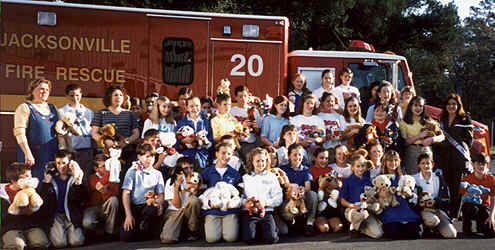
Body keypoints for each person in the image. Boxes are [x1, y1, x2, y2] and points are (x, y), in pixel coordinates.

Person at [437, 93, 474, 218]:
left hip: (459, 158)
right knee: (447, 185)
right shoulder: (441, 120)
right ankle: (449, 212)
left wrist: (456, 142)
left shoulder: (465, 119)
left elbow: (469, 141)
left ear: (458, 105)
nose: (451, 106)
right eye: (449, 104)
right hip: (445, 157)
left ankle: (454, 214)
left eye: (454, 104)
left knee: (457, 187)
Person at [1, 162, 54, 250]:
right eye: (26, 177)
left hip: (31, 225)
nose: (30, 179)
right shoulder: (3, 194)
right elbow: (3, 216)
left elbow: (42, 207)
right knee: (16, 245)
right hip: (11, 227)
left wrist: (46, 185)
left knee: (41, 243)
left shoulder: (31, 190)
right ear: (14, 180)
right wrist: (19, 211)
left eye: (30, 176)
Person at [14, 78, 59, 181]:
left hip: (52, 154)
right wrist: (27, 153)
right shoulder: (24, 107)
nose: (44, 92)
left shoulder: (53, 108)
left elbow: (59, 130)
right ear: (32, 90)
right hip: (33, 156)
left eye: (47, 90)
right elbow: (19, 133)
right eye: (41, 89)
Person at [120, 143, 165, 242]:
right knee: (126, 238)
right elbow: (126, 193)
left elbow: (161, 194)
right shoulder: (132, 171)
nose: (150, 159)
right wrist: (128, 215)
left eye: (152, 156)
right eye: (146, 156)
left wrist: (159, 204)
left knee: (153, 209)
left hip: (148, 206)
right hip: (134, 207)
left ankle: (146, 227)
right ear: (139, 157)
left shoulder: (158, 174)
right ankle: (140, 230)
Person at [201, 142, 241, 243]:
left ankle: (229, 227)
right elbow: (201, 193)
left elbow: (238, 194)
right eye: (223, 153)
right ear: (217, 154)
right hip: (213, 211)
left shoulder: (235, 174)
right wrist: (208, 204)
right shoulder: (207, 172)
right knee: (212, 239)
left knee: (231, 238)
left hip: (229, 211)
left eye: (228, 154)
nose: (226, 156)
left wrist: (233, 203)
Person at [241, 147, 283, 244]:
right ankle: (257, 231)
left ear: (267, 161)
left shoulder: (271, 177)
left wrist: (266, 203)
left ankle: (271, 230)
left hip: (266, 212)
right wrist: (245, 203)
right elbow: (241, 197)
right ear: (252, 161)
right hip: (250, 212)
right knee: (249, 239)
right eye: (258, 161)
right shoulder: (246, 178)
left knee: (271, 239)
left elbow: (278, 197)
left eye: (263, 161)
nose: (260, 164)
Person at [46, 150, 87, 248]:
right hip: (57, 215)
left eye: (64, 163)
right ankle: (57, 232)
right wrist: (46, 184)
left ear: (70, 163)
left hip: (71, 214)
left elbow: (83, 199)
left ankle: (73, 231)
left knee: (76, 242)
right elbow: (45, 200)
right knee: (60, 243)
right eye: (58, 163)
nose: (61, 166)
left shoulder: (74, 178)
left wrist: (78, 183)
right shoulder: (51, 179)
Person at [91, 85, 140, 166]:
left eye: (121, 95)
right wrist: (106, 141)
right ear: (109, 97)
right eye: (115, 95)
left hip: (126, 152)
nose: (119, 97)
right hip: (106, 153)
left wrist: (126, 142)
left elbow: (136, 133)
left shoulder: (129, 114)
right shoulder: (101, 113)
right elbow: (94, 133)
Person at [340, 152, 383, 239]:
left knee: (378, 234)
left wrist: (370, 201)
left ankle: (358, 227)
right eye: (358, 166)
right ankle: (354, 226)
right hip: (352, 210)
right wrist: (353, 206)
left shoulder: (369, 181)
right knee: (359, 215)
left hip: (366, 210)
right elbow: (343, 201)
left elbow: (372, 196)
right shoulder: (347, 181)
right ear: (352, 167)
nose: (360, 168)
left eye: (363, 166)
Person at [412, 153, 456, 238]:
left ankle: (436, 229)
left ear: (432, 164)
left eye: (428, 163)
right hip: (423, 210)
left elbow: (446, 198)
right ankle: (427, 228)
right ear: (419, 165)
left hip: (437, 209)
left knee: (451, 234)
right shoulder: (413, 178)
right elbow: (412, 199)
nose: (426, 166)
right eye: (423, 163)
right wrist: (420, 202)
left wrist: (435, 202)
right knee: (432, 221)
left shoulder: (439, 178)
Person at [378, 150, 420, 239]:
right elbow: (374, 195)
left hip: (404, 209)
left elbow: (413, 196)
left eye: (395, 160)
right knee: (394, 233)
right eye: (390, 160)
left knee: (414, 234)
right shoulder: (380, 178)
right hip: (389, 209)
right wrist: (379, 195)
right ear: (385, 162)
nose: (393, 163)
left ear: (399, 161)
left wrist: (410, 195)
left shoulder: (404, 177)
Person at [161, 156, 202, 243]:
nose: (189, 170)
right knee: (168, 239)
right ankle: (180, 231)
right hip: (175, 211)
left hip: (189, 210)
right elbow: (177, 205)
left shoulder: (195, 178)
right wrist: (177, 187)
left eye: (191, 167)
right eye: (186, 168)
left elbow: (196, 199)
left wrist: (195, 188)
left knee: (194, 200)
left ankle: (192, 230)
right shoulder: (170, 181)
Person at [280, 144, 318, 236]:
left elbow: (308, 186)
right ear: (289, 156)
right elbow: (284, 184)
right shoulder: (283, 169)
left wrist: (303, 189)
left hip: (302, 198)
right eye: (295, 155)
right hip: (289, 198)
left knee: (312, 194)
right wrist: (292, 186)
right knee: (288, 215)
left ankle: (310, 223)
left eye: (300, 155)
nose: (297, 157)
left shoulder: (305, 169)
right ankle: (293, 223)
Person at [400, 96, 444, 174]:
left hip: (426, 150)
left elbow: (442, 136)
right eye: (415, 105)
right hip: (412, 151)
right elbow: (405, 142)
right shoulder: (404, 123)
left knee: (427, 174)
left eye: (420, 106)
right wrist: (419, 136)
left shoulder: (429, 120)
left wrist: (432, 139)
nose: (418, 108)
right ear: (411, 107)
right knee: (413, 175)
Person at [58, 84, 94, 179]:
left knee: (85, 176)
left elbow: (93, 130)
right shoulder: (62, 111)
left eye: (77, 95)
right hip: (70, 149)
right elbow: (60, 132)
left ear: (81, 95)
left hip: (86, 148)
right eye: (71, 95)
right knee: (71, 176)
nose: (75, 98)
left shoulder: (88, 112)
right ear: (66, 96)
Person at [82, 154, 119, 240]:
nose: (106, 168)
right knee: (87, 223)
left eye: (107, 166)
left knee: (114, 200)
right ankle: (92, 232)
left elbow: (114, 192)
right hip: (93, 207)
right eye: (102, 166)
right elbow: (102, 190)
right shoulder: (92, 178)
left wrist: (106, 187)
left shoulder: (112, 176)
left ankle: (109, 232)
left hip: (106, 205)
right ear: (96, 169)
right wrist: (107, 186)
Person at [459, 152, 495, 238]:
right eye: (478, 164)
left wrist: (491, 216)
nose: (481, 167)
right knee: (469, 208)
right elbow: (462, 199)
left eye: (483, 164)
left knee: (491, 233)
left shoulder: (491, 179)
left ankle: (481, 225)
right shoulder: (466, 179)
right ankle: (467, 228)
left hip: (485, 207)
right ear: (473, 164)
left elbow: (493, 199)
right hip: (471, 206)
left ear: (487, 165)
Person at [175, 97, 214, 169]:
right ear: (187, 108)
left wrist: (206, 142)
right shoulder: (181, 123)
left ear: (200, 106)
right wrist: (183, 141)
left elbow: (211, 145)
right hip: (186, 160)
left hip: (203, 160)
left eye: (197, 106)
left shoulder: (206, 122)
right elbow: (176, 144)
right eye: (191, 106)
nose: (195, 109)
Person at [230, 85, 262, 157]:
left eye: (245, 96)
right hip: (235, 142)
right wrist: (242, 126)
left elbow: (259, 132)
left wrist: (256, 127)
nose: (243, 99)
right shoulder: (232, 111)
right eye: (240, 96)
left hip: (249, 143)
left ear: (248, 96)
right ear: (236, 97)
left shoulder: (254, 111)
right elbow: (229, 129)